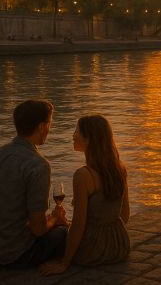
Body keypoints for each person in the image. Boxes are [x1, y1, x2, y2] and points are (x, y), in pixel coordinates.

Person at [0, 99, 67, 268]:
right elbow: (38, 229)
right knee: (63, 233)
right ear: (41, 126)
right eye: (49, 124)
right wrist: (55, 218)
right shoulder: (38, 165)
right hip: (14, 255)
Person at [40, 115, 130, 275]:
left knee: (55, 234)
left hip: (92, 251)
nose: (73, 135)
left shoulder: (83, 175)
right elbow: (125, 215)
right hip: (119, 245)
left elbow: (79, 224)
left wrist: (64, 263)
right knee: (62, 224)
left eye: (77, 131)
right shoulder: (119, 169)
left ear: (89, 139)